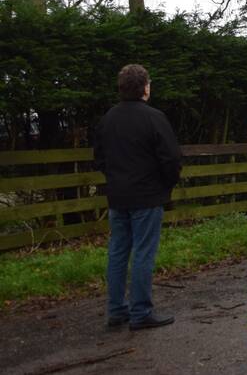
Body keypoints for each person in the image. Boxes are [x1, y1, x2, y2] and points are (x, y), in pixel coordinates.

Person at [95, 64, 181, 331]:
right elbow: (171, 158)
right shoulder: (154, 118)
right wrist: (165, 185)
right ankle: (141, 311)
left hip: (118, 196)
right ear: (145, 87)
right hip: (147, 197)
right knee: (144, 253)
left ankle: (116, 310)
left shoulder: (108, 118)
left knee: (118, 252)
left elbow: (99, 158)